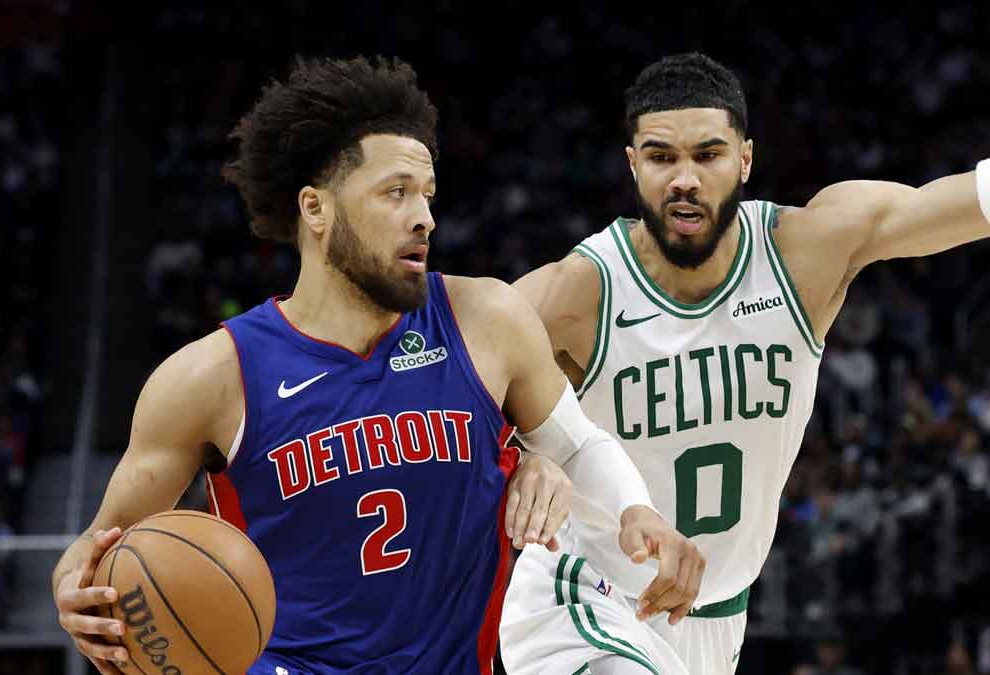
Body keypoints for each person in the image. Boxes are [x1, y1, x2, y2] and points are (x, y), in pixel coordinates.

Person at [50, 55, 703, 675]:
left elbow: (579, 445)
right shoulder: (210, 377)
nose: (423, 217)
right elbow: (101, 547)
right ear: (315, 208)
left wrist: (634, 511)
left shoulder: (486, 318)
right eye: (395, 193)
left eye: (427, 194)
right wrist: (74, 584)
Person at [501, 51, 990, 674]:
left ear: (746, 159)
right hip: (583, 601)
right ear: (633, 165)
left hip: (717, 620)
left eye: (708, 154)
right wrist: (526, 453)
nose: (684, 178)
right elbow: (440, 372)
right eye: (662, 157)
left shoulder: (807, 252)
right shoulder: (581, 290)